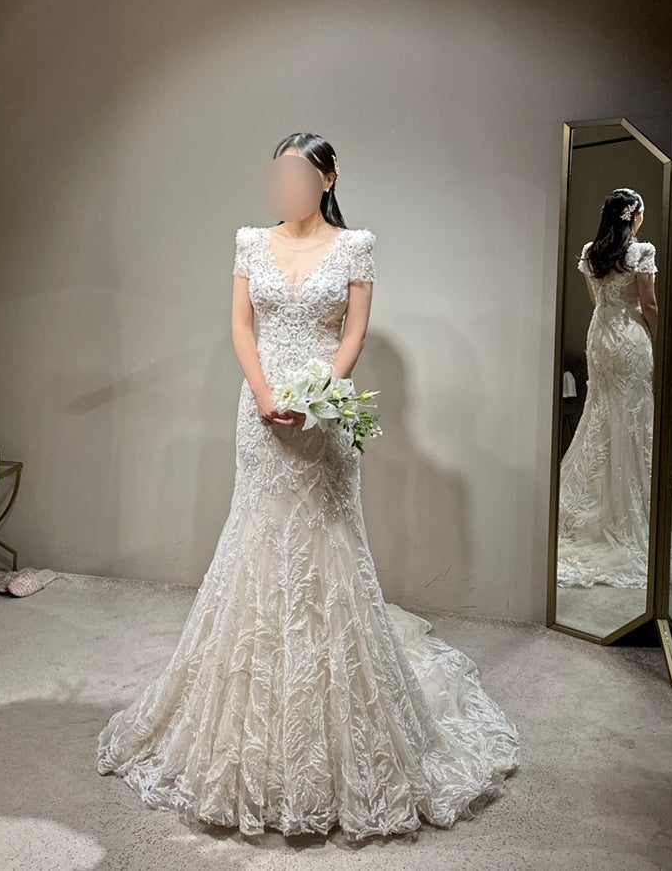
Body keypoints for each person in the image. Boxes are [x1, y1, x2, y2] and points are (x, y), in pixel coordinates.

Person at [96, 132, 520, 841]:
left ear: (326, 179)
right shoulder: (249, 242)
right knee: (257, 539)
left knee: (328, 543)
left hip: (324, 411)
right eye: (277, 175)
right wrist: (265, 395)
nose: (285, 188)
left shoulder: (355, 247)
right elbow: (241, 326)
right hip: (259, 411)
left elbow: (353, 332)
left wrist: (320, 391)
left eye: (297, 175)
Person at [557, 188, 658, 588]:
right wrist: (656, 339)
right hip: (630, 337)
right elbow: (649, 306)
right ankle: (624, 512)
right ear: (634, 215)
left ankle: (590, 507)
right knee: (630, 418)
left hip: (600, 335)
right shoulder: (642, 252)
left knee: (599, 413)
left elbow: (597, 300)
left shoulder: (591, 252)